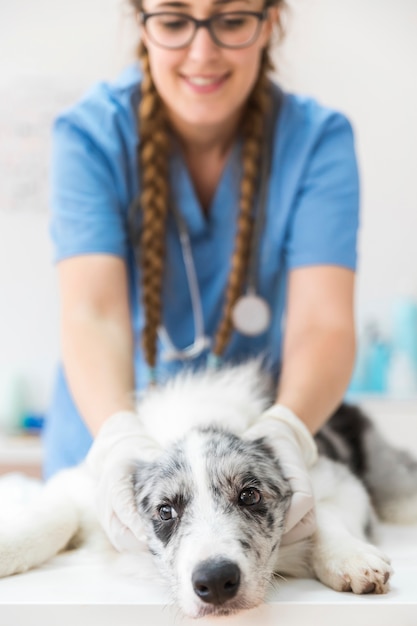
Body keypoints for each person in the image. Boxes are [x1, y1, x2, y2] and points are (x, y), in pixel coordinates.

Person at [45, 0, 359, 551]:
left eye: (232, 20)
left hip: (243, 450)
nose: (202, 52)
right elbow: (90, 314)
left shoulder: (316, 140)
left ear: (271, 22)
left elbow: (324, 321)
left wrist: (287, 428)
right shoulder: (91, 135)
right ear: (141, 24)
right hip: (106, 432)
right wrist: (119, 439)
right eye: (172, 20)